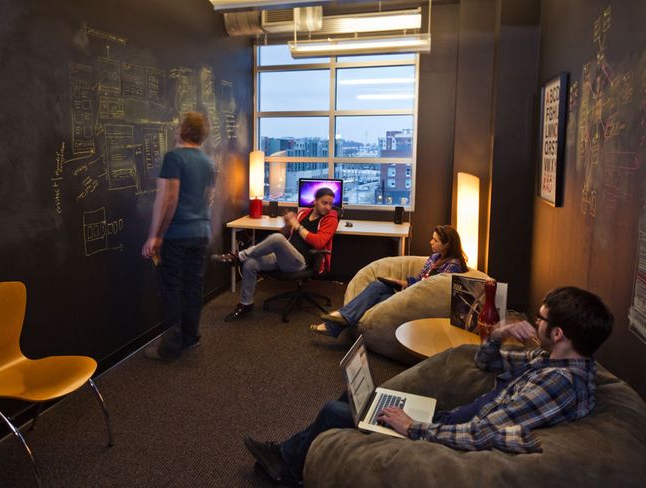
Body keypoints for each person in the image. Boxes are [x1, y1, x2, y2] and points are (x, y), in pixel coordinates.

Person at [244, 286, 613, 485]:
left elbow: (481, 434)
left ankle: (287, 469)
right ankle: (291, 450)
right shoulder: (554, 362)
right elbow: (485, 362)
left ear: (558, 332)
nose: (535, 321)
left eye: (541, 318)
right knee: (360, 397)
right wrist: (499, 334)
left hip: (450, 431)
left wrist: (413, 427)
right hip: (454, 417)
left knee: (334, 411)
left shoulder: (557, 385)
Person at [141, 112, 216, 361]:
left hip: (178, 233)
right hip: (201, 232)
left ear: (183, 130)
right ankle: (191, 338)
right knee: (194, 287)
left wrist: (155, 235)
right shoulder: (208, 162)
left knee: (171, 288)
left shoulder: (174, 157)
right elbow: (208, 198)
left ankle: (171, 348)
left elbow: (167, 199)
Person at [311, 224, 468, 338]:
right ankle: (336, 325)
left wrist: (405, 285)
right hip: (410, 291)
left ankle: (338, 320)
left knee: (375, 293)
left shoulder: (453, 266)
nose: (430, 242)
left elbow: (431, 288)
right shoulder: (435, 257)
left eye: (435, 241)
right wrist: (400, 282)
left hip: (419, 299)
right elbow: (421, 279)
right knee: (378, 290)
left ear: (447, 245)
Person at [213, 188, 339, 322]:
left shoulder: (331, 219)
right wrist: (287, 223)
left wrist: (297, 226)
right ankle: (246, 304)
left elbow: (319, 243)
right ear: (315, 201)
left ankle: (238, 257)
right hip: (283, 256)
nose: (328, 207)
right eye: (324, 203)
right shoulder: (303, 213)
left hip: (300, 262)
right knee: (251, 264)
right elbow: (283, 234)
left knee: (276, 239)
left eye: (330, 204)